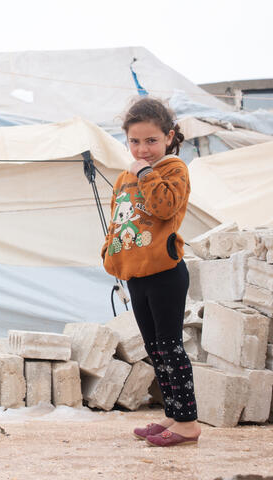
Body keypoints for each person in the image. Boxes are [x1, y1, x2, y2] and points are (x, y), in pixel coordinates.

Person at [100, 97, 202, 447]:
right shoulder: (124, 177)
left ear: (169, 137)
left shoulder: (174, 169)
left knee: (171, 347)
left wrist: (145, 171)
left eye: (151, 141)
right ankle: (172, 415)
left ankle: (188, 423)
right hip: (136, 274)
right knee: (155, 348)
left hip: (165, 272)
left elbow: (164, 207)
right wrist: (110, 254)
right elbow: (118, 219)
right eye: (135, 141)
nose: (143, 149)